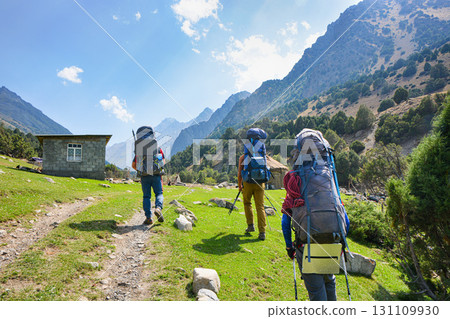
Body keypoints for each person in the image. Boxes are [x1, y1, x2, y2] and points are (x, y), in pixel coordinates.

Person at [237, 128, 269, 241]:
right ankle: (262, 232)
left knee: (247, 203)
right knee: (260, 206)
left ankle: (250, 226)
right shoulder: (263, 156)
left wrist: (240, 185)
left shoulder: (243, 157)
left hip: (248, 182)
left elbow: (240, 174)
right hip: (260, 182)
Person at [132, 126, 165, 225]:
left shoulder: (139, 151)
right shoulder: (158, 148)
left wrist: (142, 170)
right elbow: (163, 161)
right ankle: (158, 208)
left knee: (146, 196)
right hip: (156, 175)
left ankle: (148, 218)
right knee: (159, 193)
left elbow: (133, 165)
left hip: (144, 176)